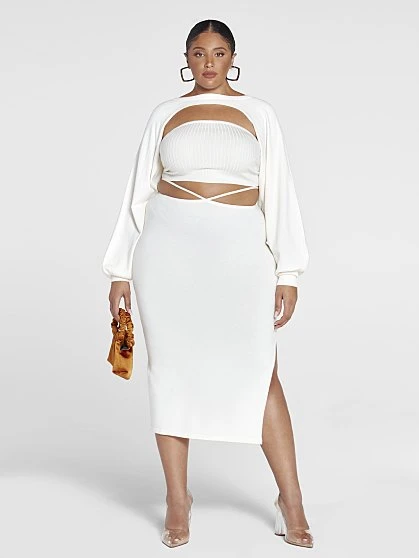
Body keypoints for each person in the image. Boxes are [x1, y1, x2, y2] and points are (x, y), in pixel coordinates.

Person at [102, 19, 313, 549]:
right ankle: (178, 499)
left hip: (240, 251)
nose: (209, 63)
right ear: (186, 59)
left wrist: (288, 271)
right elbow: (136, 194)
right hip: (168, 252)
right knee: (168, 373)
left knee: (261, 372)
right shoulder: (164, 114)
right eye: (199, 53)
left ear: (233, 58)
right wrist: (120, 269)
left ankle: (290, 500)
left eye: (219, 53)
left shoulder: (260, 113)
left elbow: (280, 191)